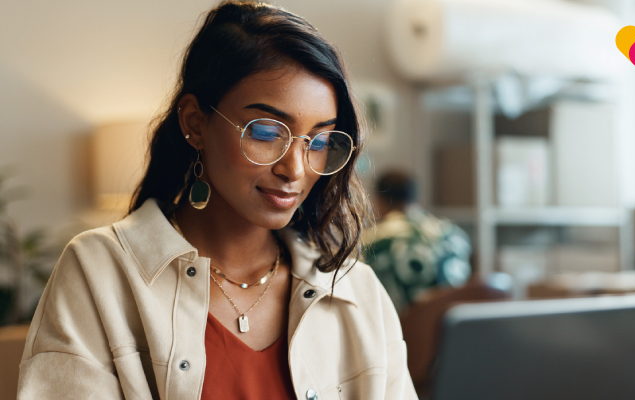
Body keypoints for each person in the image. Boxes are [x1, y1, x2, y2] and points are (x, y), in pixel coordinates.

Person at [17, 2, 418, 399]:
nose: (295, 170)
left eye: (319, 141)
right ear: (195, 122)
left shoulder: (354, 289)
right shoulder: (99, 271)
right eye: (266, 132)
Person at [362, 171, 471, 311]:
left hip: (400, 329)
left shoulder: (370, 242)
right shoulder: (454, 235)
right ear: (418, 200)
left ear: (379, 202)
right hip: (450, 327)